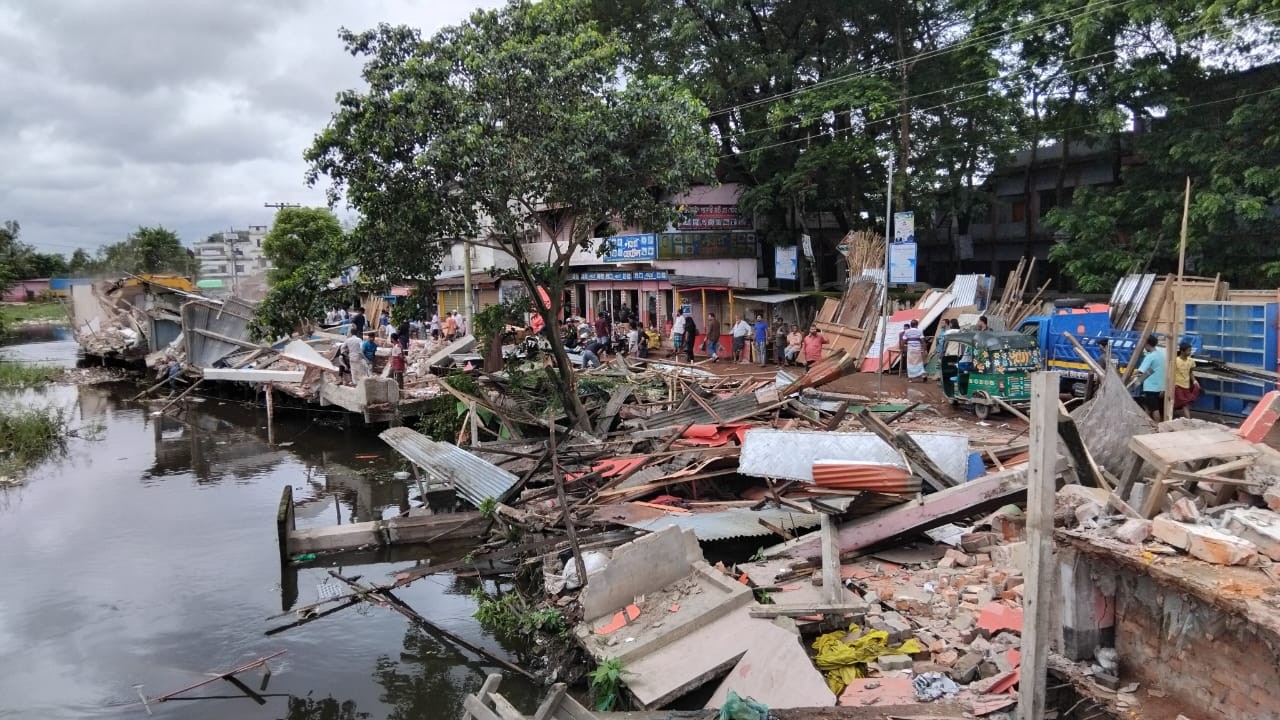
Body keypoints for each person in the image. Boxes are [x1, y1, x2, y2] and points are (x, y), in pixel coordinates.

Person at [1135, 336, 1167, 421]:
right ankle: (1146, 423)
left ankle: (1158, 425)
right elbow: (1152, 370)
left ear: (1147, 344)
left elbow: (1140, 371)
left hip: (1151, 387)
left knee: (1154, 409)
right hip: (1161, 386)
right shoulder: (1161, 355)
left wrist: (1130, 375)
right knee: (1149, 407)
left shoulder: (1150, 356)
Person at [1173, 341, 1199, 419]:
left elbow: (1190, 372)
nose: (1190, 352)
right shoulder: (1175, 361)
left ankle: (1187, 419)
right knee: (1183, 403)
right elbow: (1171, 373)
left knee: (1184, 403)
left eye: (1190, 350)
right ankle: (1187, 419)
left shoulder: (1191, 361)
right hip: (1177, 385)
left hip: (1186, 385)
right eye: (1188, 350)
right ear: (1182, 351)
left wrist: (1194, 381)